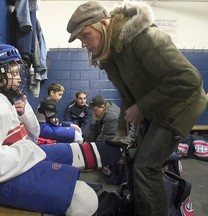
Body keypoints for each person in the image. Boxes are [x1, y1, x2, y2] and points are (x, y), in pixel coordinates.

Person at [0, 42, 122, 216]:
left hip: (18, 162)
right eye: (14, 73)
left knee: (80, 151)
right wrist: (32, 151)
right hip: (1, 179)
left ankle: (121, 157)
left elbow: (33, 136)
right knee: (84, 199)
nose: (18, 78)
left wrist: (25, 114)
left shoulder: (4, 99)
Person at [67, 1, 207, 216]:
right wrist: (122, 129)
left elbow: (189, 80)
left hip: (181, 103)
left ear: (103, 23)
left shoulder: (144, 38)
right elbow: (127, 94)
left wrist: (141, 107)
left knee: (146, 168)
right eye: (79, 39)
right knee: (132, 158)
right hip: (156, 104)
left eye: (85, 35)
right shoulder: (111, 56)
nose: (83, 44)